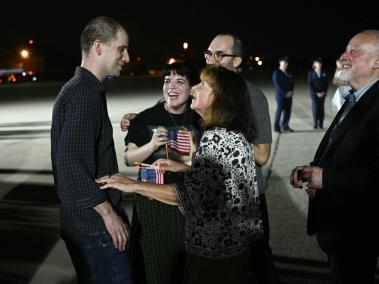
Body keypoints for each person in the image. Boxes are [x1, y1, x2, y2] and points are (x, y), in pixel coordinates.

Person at [98, 66, 263, 284]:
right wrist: (186, 168)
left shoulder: (215, 138)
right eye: (168, 80)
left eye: (202, 85)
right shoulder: (231, 133)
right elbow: (219, 182)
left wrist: (132, 185)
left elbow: (188, 195)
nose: (195, 88)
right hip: (231, 246)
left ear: (218, 97)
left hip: (214, 249)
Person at [290, 30, 379, 283]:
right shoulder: (354, 98)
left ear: (377, 61)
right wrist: (313, 170)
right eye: (345, 49)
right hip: (340, 227)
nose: (343, 55)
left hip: (358, 230)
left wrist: (327, 178)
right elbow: (353, 154)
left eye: (354, 50)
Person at [50, 16, 132, 283]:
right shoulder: (84, 94)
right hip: (95, 228)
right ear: (99, 47)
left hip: (87, 225)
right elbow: (71, 163)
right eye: (121, 48)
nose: (127, 57)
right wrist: (109, 215)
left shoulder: (84, 89)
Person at [205, 33, 277, 284]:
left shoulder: (252, 96)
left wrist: (224, 137)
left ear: (237, 61)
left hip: (246, 197)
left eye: (219, 55)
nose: (211, 60)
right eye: (209, 54)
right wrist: (137, 121)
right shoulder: (204, 92)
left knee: (258, 263)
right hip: (210, 196)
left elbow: (262, 155)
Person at [124, 62, 201, 284]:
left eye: (180, 81)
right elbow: (129, 158)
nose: (172, 87)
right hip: (153, 201)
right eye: (167, 81)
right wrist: (150, 145)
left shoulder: (200, 119)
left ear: (191, 87)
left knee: (188, 267)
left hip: (189, 200)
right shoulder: (145, 118)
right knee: (155, 267)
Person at [272, 56, 295, 133]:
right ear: (280, 63)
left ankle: (286, 126)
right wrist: (285, 93)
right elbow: (277, 84)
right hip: (281, 96)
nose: (285, 64)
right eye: (284, 62)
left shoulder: (289, 72)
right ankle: (277, 127)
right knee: (279, 111)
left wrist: (291, 91)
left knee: (288, 112)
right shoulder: (276, 73)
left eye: (286, 62)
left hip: (289, 96)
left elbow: (292, 83)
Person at [307, 58, 329, 129]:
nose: (319, 64)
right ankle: (315, 123)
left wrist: (324, 92)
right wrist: (317, 92)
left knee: (321, 109)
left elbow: (326, 84)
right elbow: (311, 84)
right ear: (314, 64)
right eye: (317, 63)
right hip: (314, 94)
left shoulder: (324, 72)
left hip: (323, 93)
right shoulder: (311, 73)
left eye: (320, 63)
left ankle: (321, 124)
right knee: (315, 108)